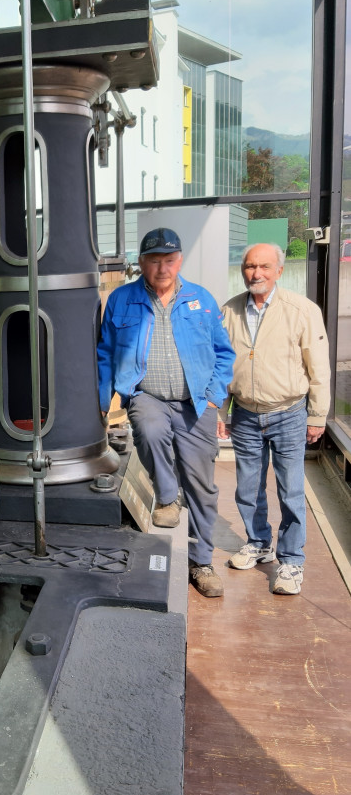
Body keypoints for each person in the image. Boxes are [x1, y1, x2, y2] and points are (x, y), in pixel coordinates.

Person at [97, 228, 235, 597]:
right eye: (154, 260)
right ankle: (167, 496)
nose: (162, 267)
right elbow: (105, 353)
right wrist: (100, 401)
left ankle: (201, 562)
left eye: (169, 260)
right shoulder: (121, 300)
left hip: (195, 403)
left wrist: (214, 395)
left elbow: (224, 353)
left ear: (180, 261)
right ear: (140, 263)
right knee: (149, 428)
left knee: (202, 486)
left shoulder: (200, 299)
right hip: (148, 395)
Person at [218, 243, 330, 595]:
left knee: (291, 490)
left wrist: (318, 415)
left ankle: (292, 561)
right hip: (246, 415)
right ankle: (258, 542)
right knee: (248, 488)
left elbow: (319, 368)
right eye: (250, 266)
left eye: (264, 266)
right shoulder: (229, 310)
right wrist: (222, 411)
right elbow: (222, 366)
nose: (256, 273)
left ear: (279, 270)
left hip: (289, 414)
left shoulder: (302, 310)